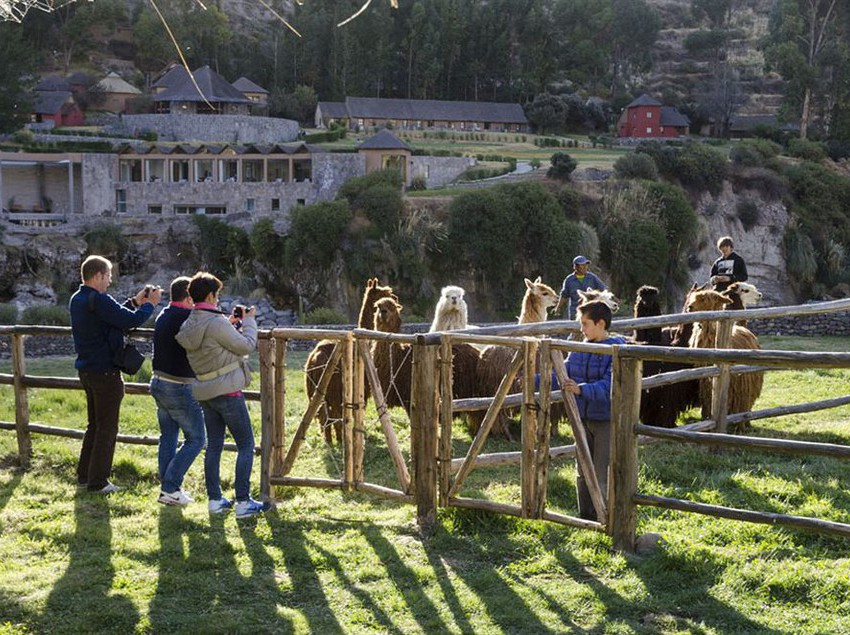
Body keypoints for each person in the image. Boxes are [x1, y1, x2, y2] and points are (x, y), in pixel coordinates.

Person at [175, 271, 270, 519]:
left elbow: (212, 342)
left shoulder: (191, 323)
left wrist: (229, 325)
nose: (218, 299)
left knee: (214, 447)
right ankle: (243, 502)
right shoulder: (215, 323)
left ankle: (215, 500)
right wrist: (249, 322)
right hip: (228, 391)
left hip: (205, 391)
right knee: (246, 445)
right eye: (217, 294)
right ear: (210, 295)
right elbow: (246, 346)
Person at [69, 255, 161, 494]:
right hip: (106, 372)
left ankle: (84, 476)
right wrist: (150, 304)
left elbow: (113, 318)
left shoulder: (78, 299)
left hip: (87, 369)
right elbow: (130, 321)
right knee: (107, 428)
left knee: (94, 425)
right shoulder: (99, 299)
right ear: (98, 275)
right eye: (108, 275)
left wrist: (133, 301)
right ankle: (98, 482)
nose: (110, 280)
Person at [556, 300, 626, 521]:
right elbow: (563, 373)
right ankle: (585, 514)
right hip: (581, 419)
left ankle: (604, 516)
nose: (581, 329)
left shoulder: (616, 352)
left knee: (601, 470)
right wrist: (535, 380)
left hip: (605, 420)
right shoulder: (579, 351)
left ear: (601, 323)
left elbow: (609, 386)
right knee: (582, 469)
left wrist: (581, 390)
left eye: (585, 324)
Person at [151, 276, 204, 506]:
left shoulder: (163, 315)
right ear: (189, 296)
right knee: (197, 439)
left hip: (158, 382)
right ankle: (170, 486)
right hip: (178, 386)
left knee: (169, 437)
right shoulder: (186, 317)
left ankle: (169, 491)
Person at [554, 255, 608, 320]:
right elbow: (564, 295)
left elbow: (604, 289)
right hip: (575, 312)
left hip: (591, 312)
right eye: (582, 265)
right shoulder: (569, 280)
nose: (585, 267)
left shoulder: (592, 277)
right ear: (575, 267)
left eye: (586, 265)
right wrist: (558, 308)